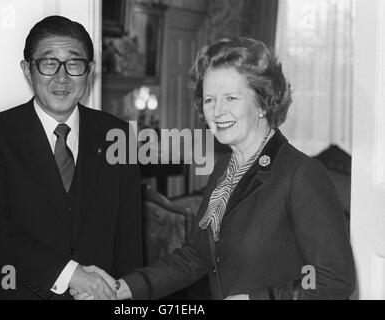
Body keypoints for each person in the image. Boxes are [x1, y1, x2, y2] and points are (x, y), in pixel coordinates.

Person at [76, 37, 356, 300]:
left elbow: (335, 278)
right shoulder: (225, 169)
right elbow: (195, 257)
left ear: (262, 103)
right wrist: (120, 288)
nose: (217, 111)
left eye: (231, 98)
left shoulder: (301, 174)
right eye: (209, 99)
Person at [0, 15, 143, 300]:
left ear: (90, 71)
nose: (61, 78)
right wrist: (73, 275)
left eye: (74, 64)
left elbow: (129, 236)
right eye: (49, 63)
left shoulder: (119, 134)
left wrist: (122, 293)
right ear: (27, 70)